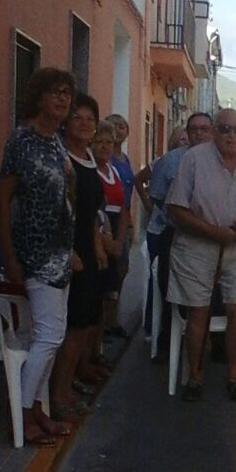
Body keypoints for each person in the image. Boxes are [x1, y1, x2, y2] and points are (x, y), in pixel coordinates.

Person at [0, 66, 77, 444]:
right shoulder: (23, 141)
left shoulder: (57, 141)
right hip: (35, 253)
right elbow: (0, 197)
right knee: (49, 336)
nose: (62, 99)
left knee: (45, 337)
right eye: (55, 92)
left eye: (66, 94)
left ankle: (36, 410)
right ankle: (22, 414)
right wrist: (9, 255)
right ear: (38, 96)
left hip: (60, 255)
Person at [166, 109, 236, 402]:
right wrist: (212, 232)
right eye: (225, 129)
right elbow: (175, 209)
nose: (231, 135)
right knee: (198, 310)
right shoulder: (193, 159)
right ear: (214, 131)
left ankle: (234, 377)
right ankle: (195, 377)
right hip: (197, 246)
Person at [49, 93, 108, 418]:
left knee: (85, 324)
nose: (85, 124)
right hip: (64, 252)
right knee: (70, 329)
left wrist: (97, 246)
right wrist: (68, 251)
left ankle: (68, 384)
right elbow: (57, 211)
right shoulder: (60, 158)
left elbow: (90, 212)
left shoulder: (86, 156)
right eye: (77, 118)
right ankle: (58, 398)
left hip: (87, 250)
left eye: (90, 118)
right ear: (65, 122)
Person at [137, 111, 214, 349]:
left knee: (216, 291)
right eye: (194, 129)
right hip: (175, 235)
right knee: (170, 288)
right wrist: (183, 218)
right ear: (187, 133)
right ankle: (166, 341)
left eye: (204, 129)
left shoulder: (221, 161)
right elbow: (157, 195)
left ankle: (214, 342)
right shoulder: (169, 161)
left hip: (213, 238)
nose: (199, 134)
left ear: (211, 132)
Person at [104, 113, 135, 337]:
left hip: (124, 220)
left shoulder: (125, 159)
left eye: (123, 126)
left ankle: (113, 318)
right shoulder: (104, 159)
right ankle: (105, 321)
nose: (119, 129)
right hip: (107, 220)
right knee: (108, 271)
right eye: (114, 126)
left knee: (122, 270)